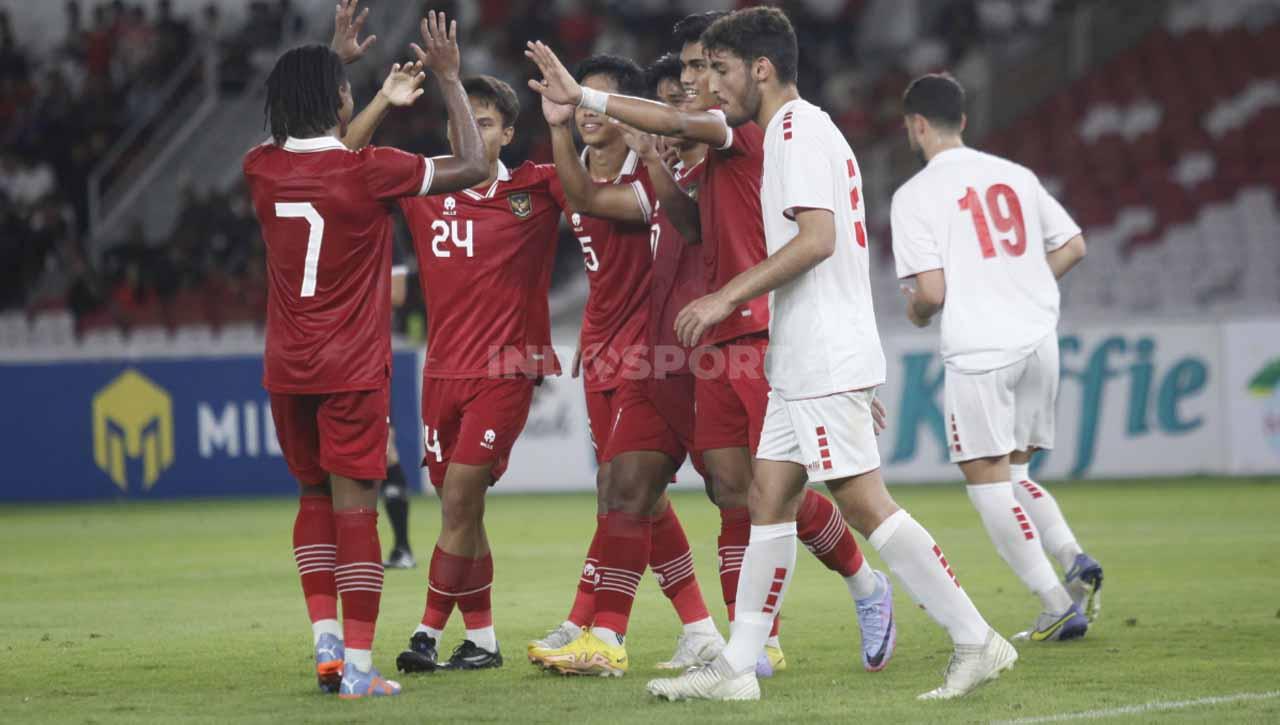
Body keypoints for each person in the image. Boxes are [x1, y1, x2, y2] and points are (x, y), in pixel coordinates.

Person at [527, 6, 1012, 701]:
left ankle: (974, 638)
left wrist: (726, 297)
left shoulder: (797, 129)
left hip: (819, 348)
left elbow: (818, 238)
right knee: (765, 499)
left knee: (865, 503)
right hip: (794, 350)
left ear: (760, 68)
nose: (710, 84)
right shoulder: (781, 130)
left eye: (718, 69)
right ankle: (738, 665)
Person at [243, 4, 487, 699]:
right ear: (340, 100)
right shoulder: (370, 170)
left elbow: (316, 145)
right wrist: (449, 78)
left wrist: (339, 67)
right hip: (348, 367)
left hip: (287, 367)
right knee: (357, 510)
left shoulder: (259, 168)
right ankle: (356, 667)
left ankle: (325, 645)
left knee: (313, 496)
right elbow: (473, 163)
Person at [526, 54, 722, 677]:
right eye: (577, 103)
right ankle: (697, 629)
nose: (584, 113)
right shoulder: (570, 166)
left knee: (624, 491)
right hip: (601, 346)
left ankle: (596, 625)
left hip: (650, 350)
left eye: (593, 102)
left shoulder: (648, 174)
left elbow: (583, 199)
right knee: (636, 497)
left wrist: (556, 123)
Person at [892, 73, 1101, 638]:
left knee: (987, 485)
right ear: (962, 120)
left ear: (915, 126)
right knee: (1015, 472)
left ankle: (1055, 603)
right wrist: (1020, 282)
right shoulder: (1015, 174)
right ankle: (1071, 555)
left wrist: (916, 312)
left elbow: (930, 294)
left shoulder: (914, 195)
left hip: (981, 350)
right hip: (1039, 341)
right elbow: (1073, 245)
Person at [391, 72, 565, 674]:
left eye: (485, 122)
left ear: (509, 133)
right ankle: (484, 640)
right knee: (460, 511)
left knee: (461, 497)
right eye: (461, 120)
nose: (469, 131)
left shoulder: (537, 190)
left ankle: (426, 634)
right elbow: (342, 162)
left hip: (506, 368)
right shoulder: (421, 188)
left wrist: (572, 117)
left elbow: (600, 190)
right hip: (440, 372)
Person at [381, 244, 415, 571]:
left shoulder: (386, 235)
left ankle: (402, 548)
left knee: (385, 449)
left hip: (368, 355)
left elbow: (398, 294)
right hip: (330, 353)